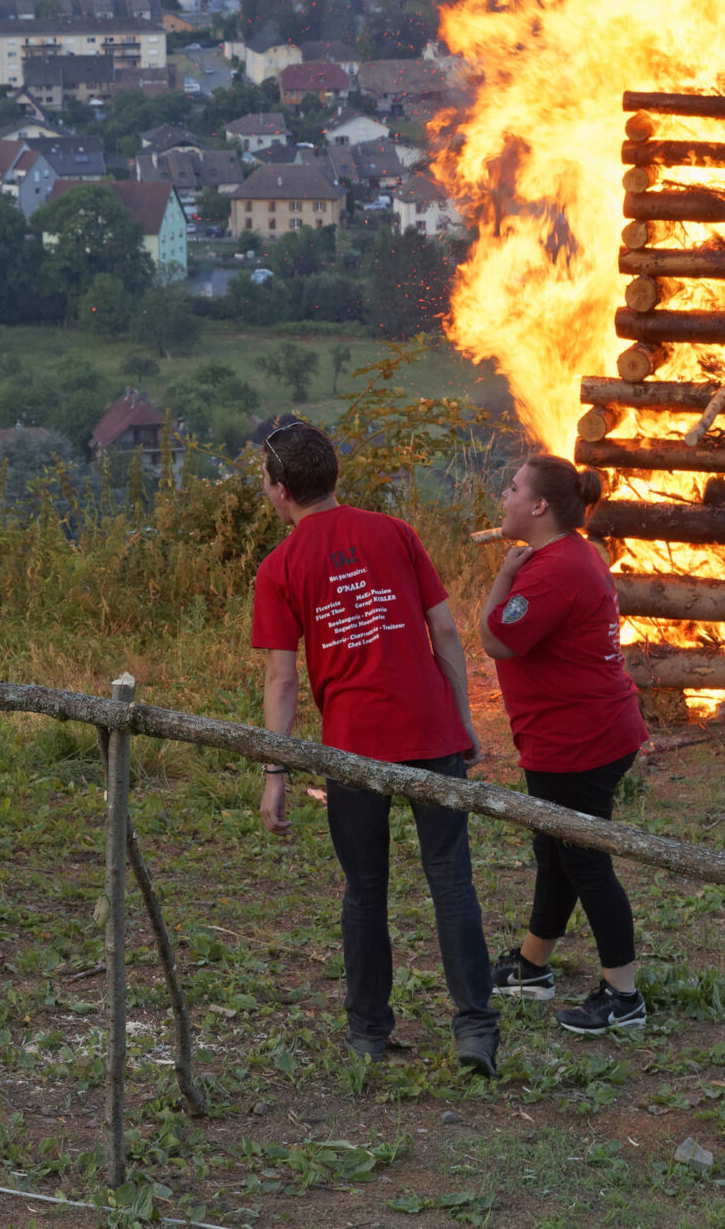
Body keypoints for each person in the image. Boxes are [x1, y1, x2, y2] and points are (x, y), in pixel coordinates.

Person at [249, 416, 498, 1076]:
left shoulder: (278, 568)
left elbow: (282, 677)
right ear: (334, 475)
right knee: (451, 879)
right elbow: (444, 632)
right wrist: (463, 720)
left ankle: (367, 1030)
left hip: (352, 748)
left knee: (364, 888)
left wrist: (275, 772)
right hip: (429, 730)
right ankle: (475, 1029)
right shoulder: (395, 533)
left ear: (279, 489)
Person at [479, 455, 648, 1037]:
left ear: (539, 506)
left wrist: (503, 576)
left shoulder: (553, 570)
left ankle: (623, 996)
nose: (505, 494)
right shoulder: (570, 556)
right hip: (574, 732)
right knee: (555, 852)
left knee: (584, 861)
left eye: (515, 487)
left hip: (580, 738)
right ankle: (531, 966)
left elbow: (497, 639)